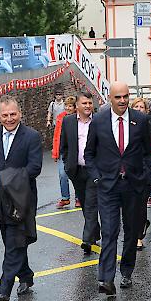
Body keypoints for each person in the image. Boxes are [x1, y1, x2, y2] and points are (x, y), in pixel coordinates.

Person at [84, 81, 151, 295]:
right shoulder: (99, 121)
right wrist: (97, 178)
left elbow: (150, 151)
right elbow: (89, 154)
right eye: (118, 97)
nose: (123, 101)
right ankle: (106, 278)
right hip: (108, 186)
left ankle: (126, 271)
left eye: (125, 96)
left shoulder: (141, 120)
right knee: (109, 230)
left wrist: (147, 175)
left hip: (133, 185)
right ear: (109, 99)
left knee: (132, 231)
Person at [0, 95, 43, 301]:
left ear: (20, 114)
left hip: (22, 198)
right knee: (10, 240)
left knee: (13, 243)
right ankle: (26, 275)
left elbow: (34, 168)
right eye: (5, 115)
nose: (9, 119)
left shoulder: (32, 136)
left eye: (13, 114)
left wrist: (5, 180)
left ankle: (4, 290)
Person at [60, 92, 101, 255]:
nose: (87, 106)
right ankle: (94, 231)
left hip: (94, 170)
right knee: (84, 203)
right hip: (76, 169)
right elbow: (64, 145)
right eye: (84, 103)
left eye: (90, 103)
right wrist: (67, 164)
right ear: (77, 105)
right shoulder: (68, 121)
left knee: (91, 203)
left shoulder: (98, 121)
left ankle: (87, 239)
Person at [130, 97, 151, 251]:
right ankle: (138, 228)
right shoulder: (126, 125)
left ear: (146, 110)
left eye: (141, 107)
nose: (138, 109)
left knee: (141, 205)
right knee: (131, 205)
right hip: (129, 171)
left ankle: (138, 237)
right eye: (135, 107)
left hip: (145, 171)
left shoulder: (150, 126)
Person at [52, 96, 77, 209]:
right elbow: (56, 136)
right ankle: (65, 198)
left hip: (75, 151)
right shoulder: (60, 118)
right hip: (63, 150)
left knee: (77, 175)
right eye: (66, 105)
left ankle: (78, 198)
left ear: (75, 107)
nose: (67, 108)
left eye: (70, 106)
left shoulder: (78, 118)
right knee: (62, 174)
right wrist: (55, 152)